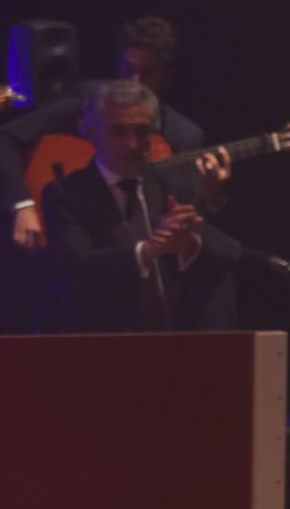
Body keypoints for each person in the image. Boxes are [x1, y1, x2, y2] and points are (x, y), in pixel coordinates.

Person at [0, 17, 229, 250]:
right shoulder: (87, 99)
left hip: (129, 251)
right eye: (129, 69)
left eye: (147, 73)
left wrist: (211, 195)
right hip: (62, 234)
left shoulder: (182, 135)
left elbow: (184, 214)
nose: (135, 81)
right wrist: (22, 204)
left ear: (168, 76)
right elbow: (1, 140)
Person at [41, 80, 238, 333]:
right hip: (100, 343)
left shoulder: (167, 182)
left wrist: (197, 226)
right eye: (119, 132)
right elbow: (76, 267)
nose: (132, 144)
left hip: (175, 344)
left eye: (143, 131)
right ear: (90, 133)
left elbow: (218, 254)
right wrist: (148, 250)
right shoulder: (65, 193)